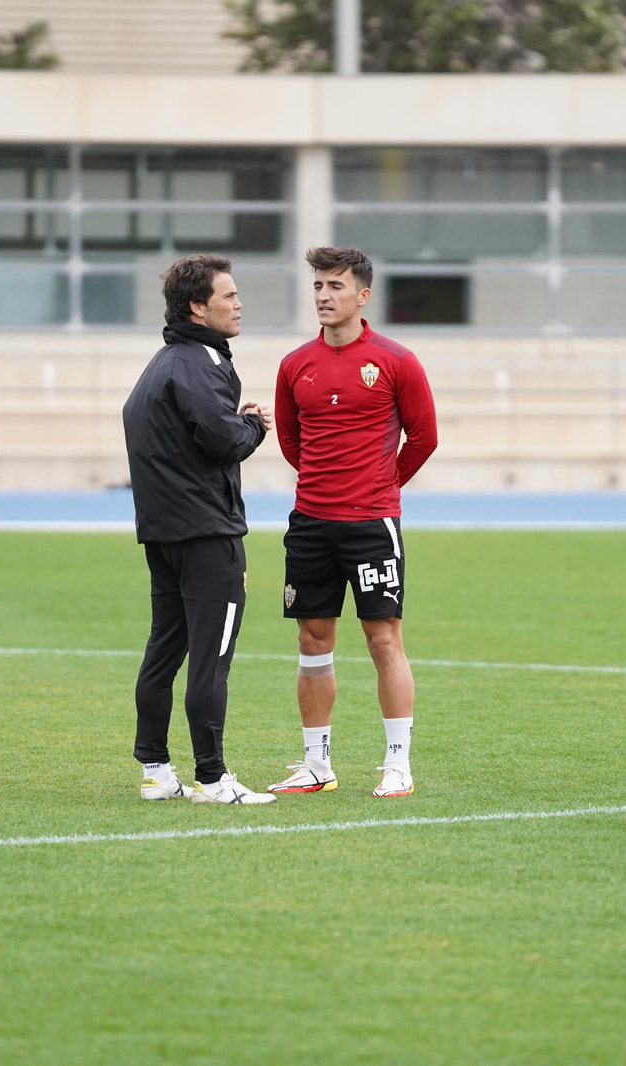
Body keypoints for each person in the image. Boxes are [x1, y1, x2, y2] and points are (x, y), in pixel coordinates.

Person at [268, 246, 438, 799]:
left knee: (383, 639)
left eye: (335, 286)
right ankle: (317, 763)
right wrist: (324, 484)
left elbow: (424, 437)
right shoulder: (295, 365)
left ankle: (397, 765)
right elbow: (291, 441)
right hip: (311, 523)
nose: (323, 295)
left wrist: (380, 487)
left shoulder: (396, 361)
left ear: (363, 296)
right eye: (318, 285)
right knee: (312, 639)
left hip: (371, 525)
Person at [121, 254, 277, 805]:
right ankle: (212, 778)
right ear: (197, 306)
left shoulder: (160, 364)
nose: (238, 304)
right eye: (228, 295)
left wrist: (235, 423)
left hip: (162, 534)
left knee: (165, 649)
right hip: (208, 535)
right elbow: (221, 441)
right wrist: (254, 424)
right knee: (211, 659)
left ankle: (156, 772)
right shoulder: (201, 362)